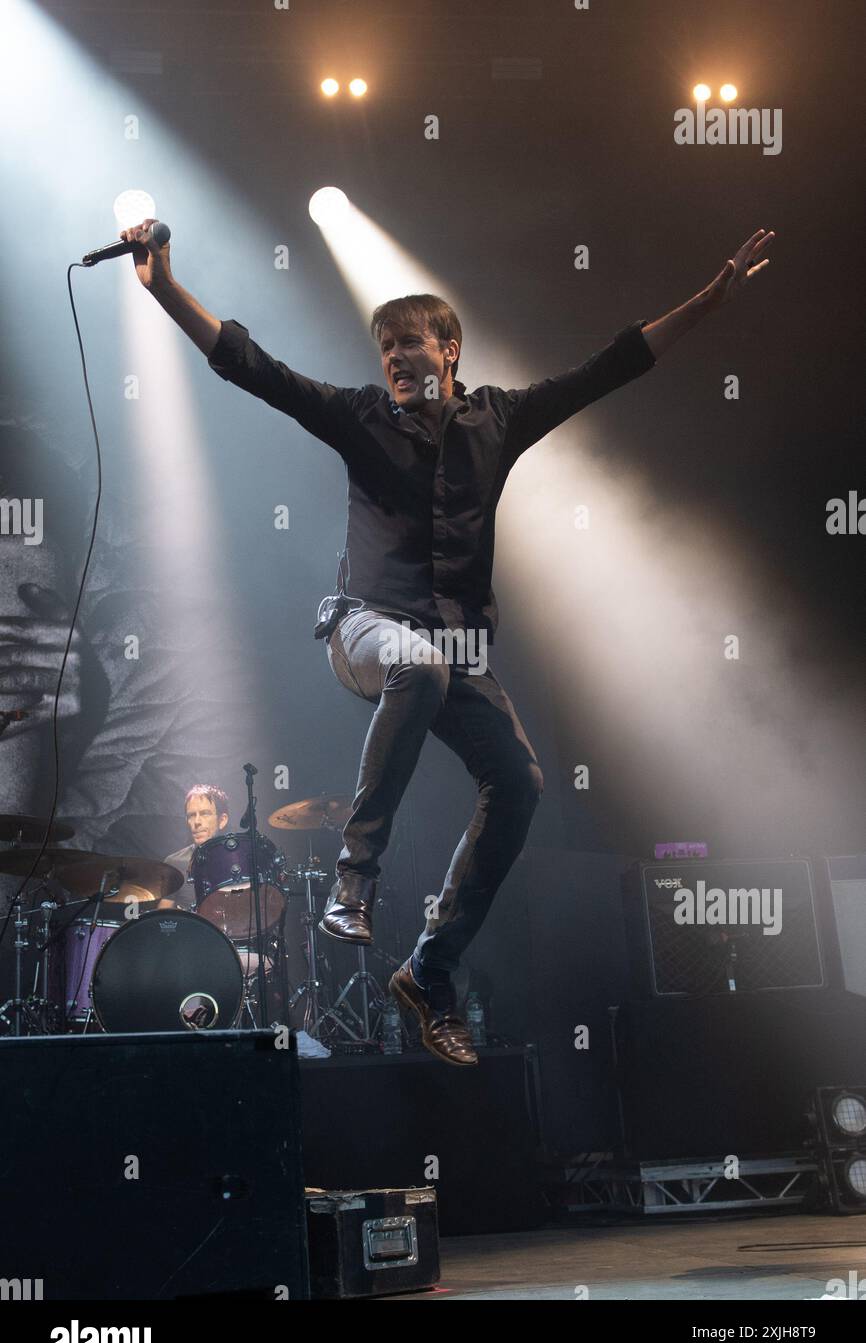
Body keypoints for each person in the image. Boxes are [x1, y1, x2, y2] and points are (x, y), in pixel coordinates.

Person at [121, 217, 774, 1065]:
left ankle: (430, 970)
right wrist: (166, 286)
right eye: (384, 347)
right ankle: (355, 878)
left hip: (453, 649)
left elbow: (610, 367)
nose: (393, 359)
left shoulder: (496, 421)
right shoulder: (359, 418)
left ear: (451, 349)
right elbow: (253, 367)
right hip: (363, 629)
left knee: (523, 784)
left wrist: (710, 296)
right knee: (417, 666)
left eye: (408, 344)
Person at [159, 783, 230, 911]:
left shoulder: (239, 859)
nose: (197, 822)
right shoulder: (174, 863)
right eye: (191, 815)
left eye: (205, 814)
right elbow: (162, 918)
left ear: (222, 820)